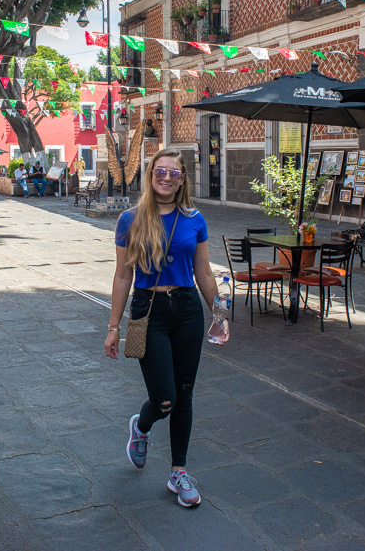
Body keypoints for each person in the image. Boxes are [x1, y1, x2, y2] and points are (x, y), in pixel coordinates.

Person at [105, 147, 217, 508]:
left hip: (187, 309)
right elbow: (123, 275)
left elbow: (204, 272)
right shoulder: (130, 219)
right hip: (148, 309)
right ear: (151, 175)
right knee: (165, 397)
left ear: (183, 179)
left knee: (184, 394)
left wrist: (221, 310)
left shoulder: (195, 219)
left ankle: (178, 472)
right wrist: (113, 327)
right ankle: (142, 425)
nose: (166, 178)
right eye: (160, 172)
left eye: (174, 173)